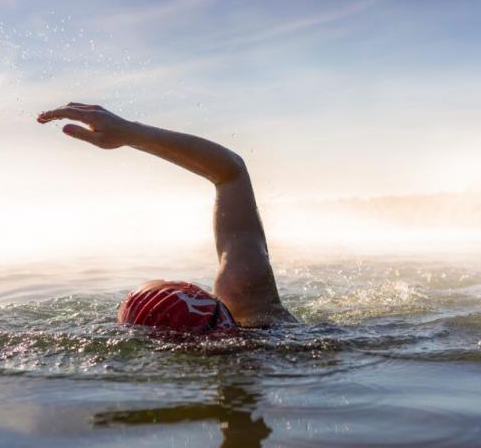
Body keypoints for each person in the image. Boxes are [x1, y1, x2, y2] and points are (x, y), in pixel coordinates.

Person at [37, 103, 297, 332]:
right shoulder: (250, 303)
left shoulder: (249, 312)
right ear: (207, 300)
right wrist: (130, 132)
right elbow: (231, 172)